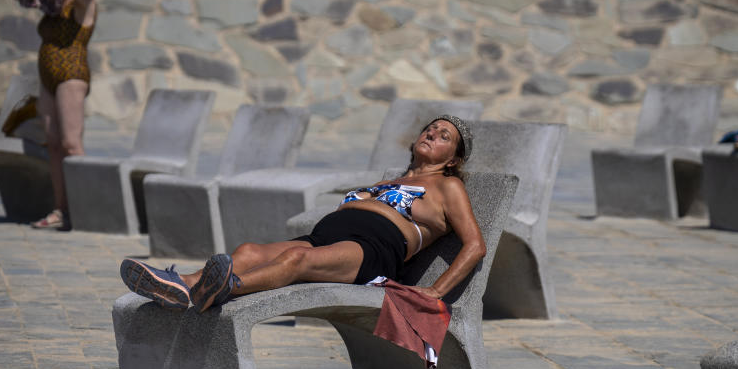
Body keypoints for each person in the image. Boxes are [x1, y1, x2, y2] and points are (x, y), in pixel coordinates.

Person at [120, 115, 487, 312]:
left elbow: (475, 245)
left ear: (453, 159)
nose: (432, 134)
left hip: (374, 250)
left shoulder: (447, 187)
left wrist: (437, 292)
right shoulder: (388, 179)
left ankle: (225, 289)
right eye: (430, 128)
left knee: (297, 259)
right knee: (247, 251)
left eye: (443, 136)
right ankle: (179, 285)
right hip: (326, 237)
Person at [9, 0, 97, 229]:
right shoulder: (52, 6)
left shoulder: (82, 6)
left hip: (71, 76)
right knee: (54, 144)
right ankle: (61, 209)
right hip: (48, 77)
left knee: (72, 143)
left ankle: (85, 209)